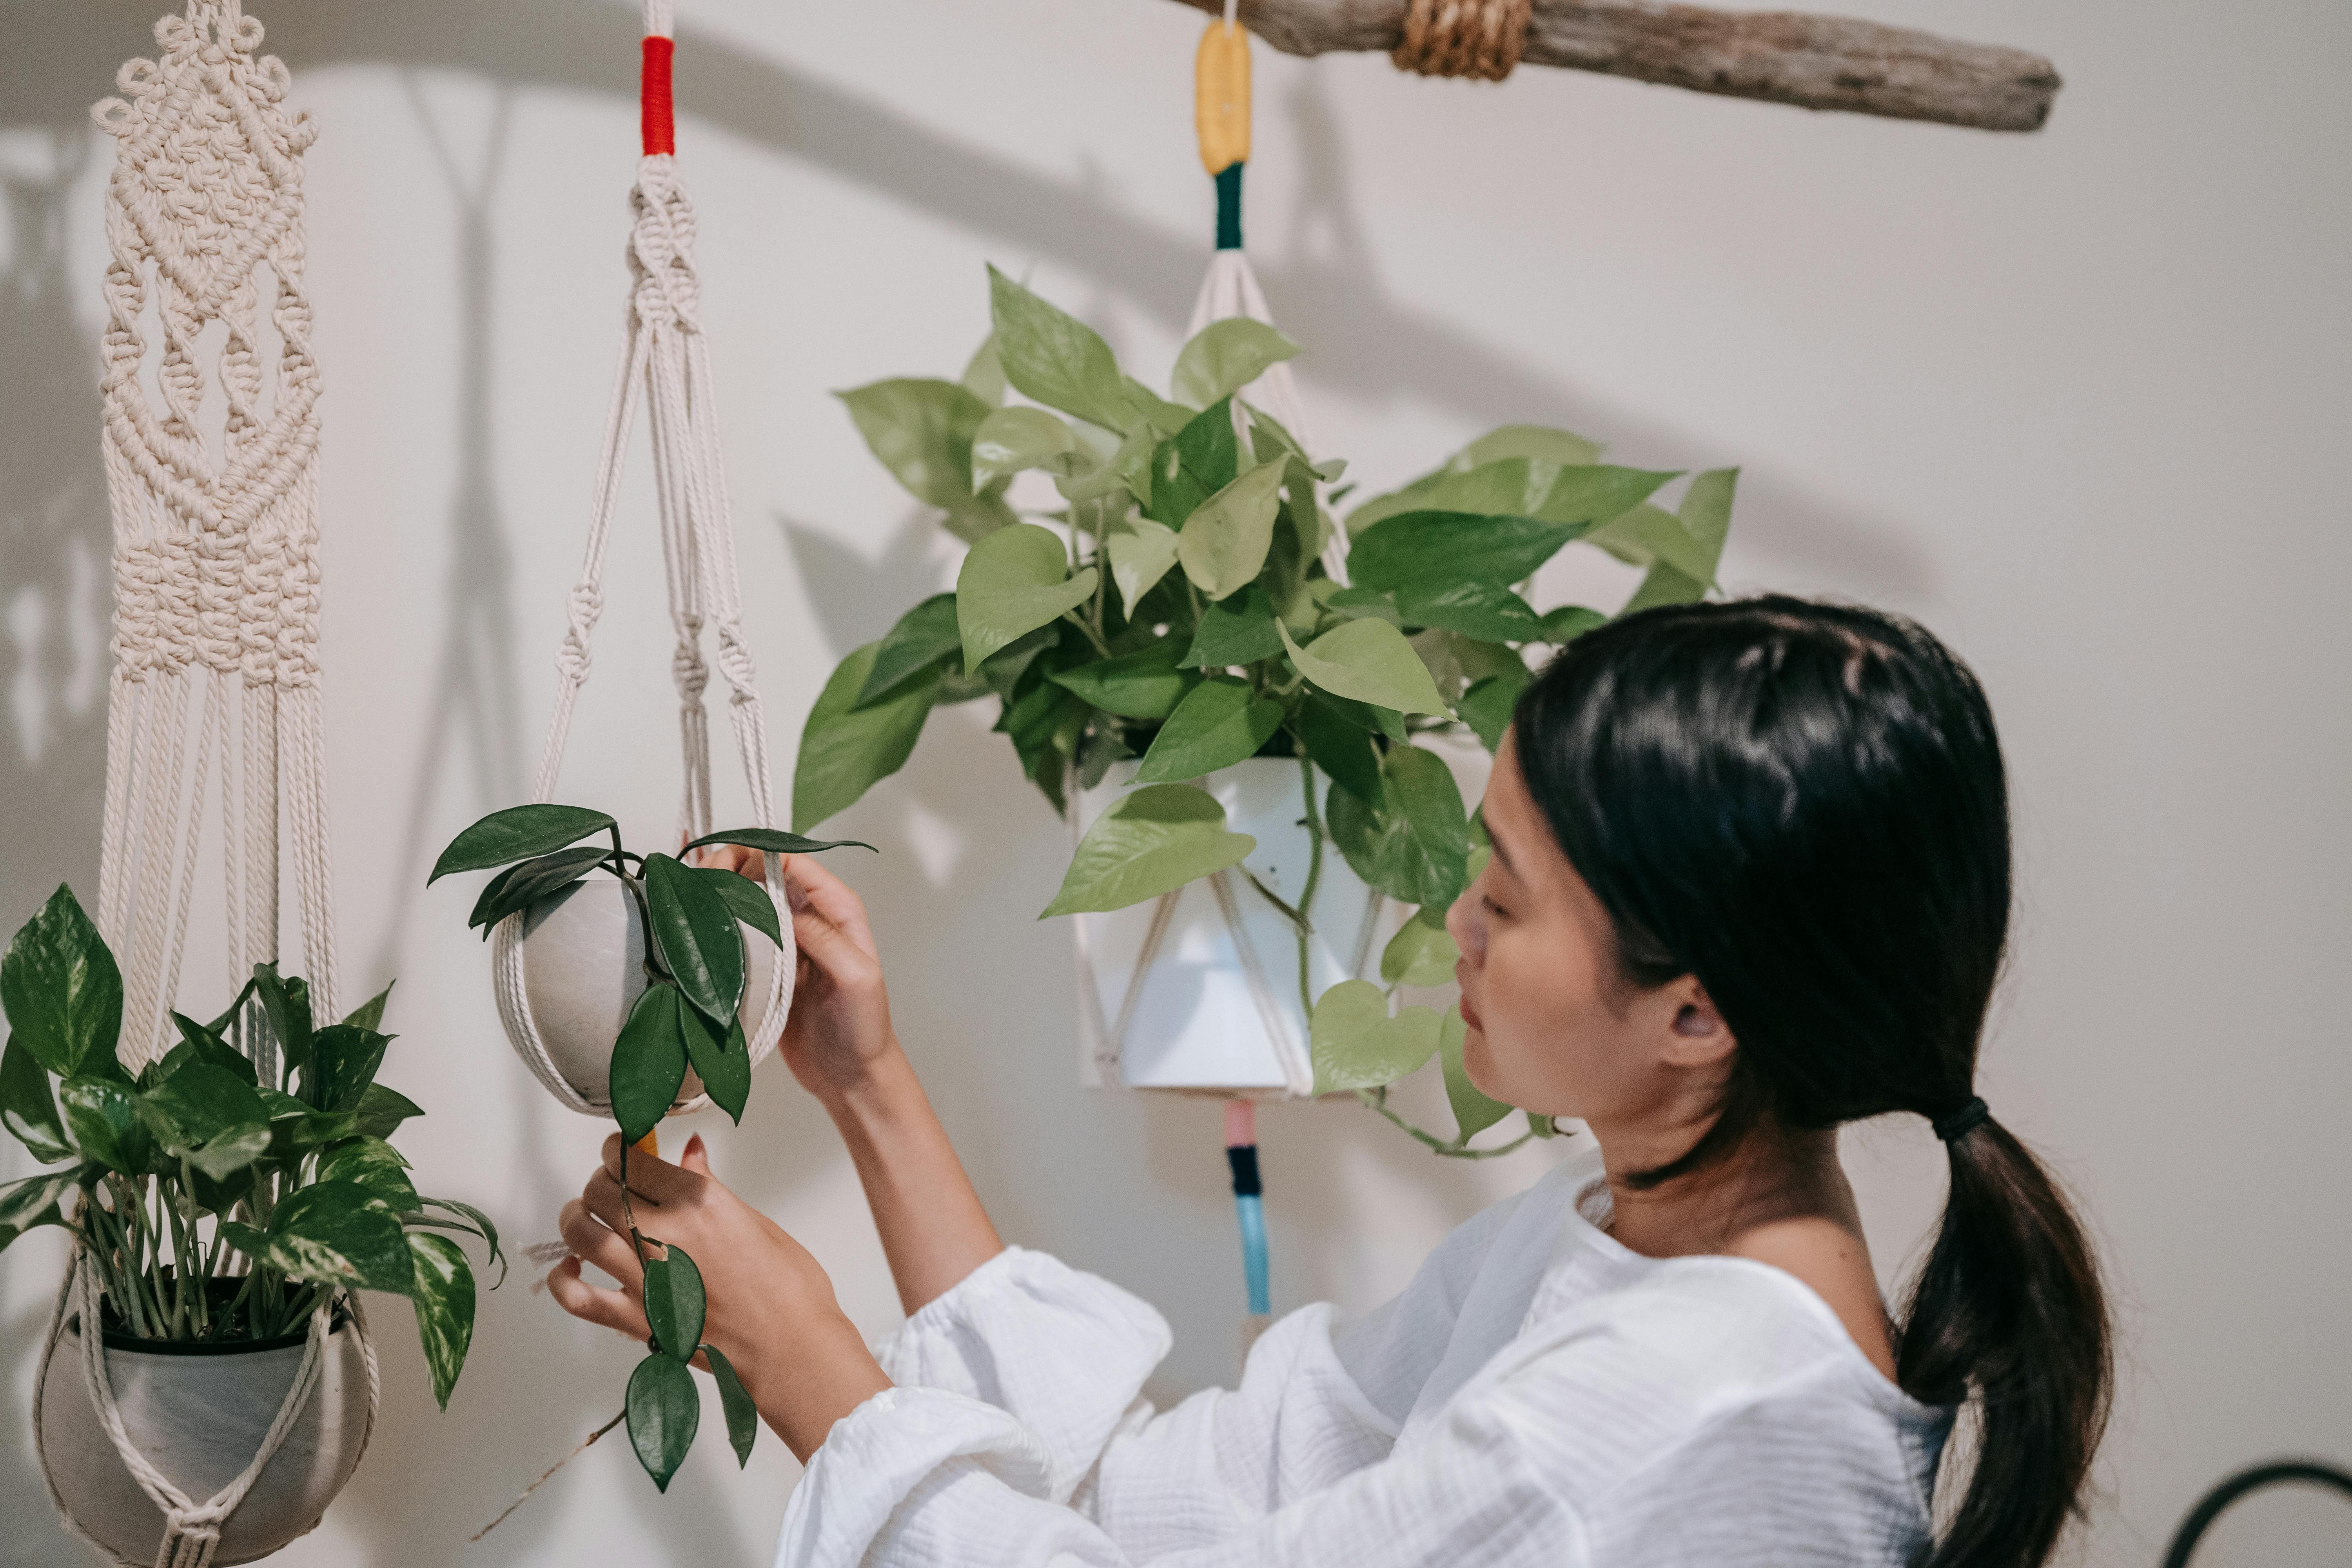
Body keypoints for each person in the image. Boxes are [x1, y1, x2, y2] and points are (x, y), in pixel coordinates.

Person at [548, 596, 2111, 1567]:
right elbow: (1170, 1499)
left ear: (1696, 1015)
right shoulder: (1599, 1243)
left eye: (1506, 895)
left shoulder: (1683, 1415)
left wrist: (805, 1355)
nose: (1456, 923)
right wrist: (871, 1087)